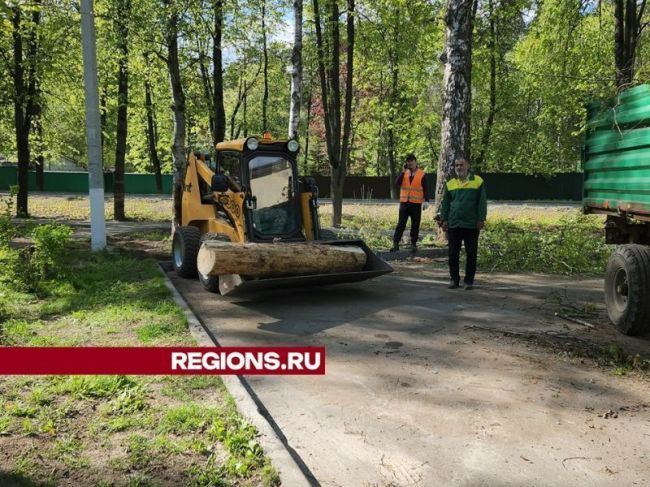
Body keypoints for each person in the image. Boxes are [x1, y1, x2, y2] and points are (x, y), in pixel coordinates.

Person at [440, 158, 487, 290]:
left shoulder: (477, 181)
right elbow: (445, 204)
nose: (459, 167)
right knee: (453, 253)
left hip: (471, 224)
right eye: (456, 165)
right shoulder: (450, 184)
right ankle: (454, 280)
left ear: (468, 166)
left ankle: (469, 281)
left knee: (471, 253)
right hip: (454, 224)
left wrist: (481, 219)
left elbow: (482, 202)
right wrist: (444, 219)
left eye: (461, 165)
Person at [391, 154, 429, 253]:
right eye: (408, 161)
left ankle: (413, 244)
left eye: (411, 161)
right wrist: (402, 172)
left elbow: (425, 188)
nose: (410, 163)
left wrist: (426, 200)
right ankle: (395, 243)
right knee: (401, 224)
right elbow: (397, 183)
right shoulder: (405, 173)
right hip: (404, 203)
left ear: (415, 161)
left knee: (415, 224)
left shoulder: (422, 174)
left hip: (416, 203)